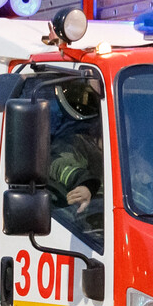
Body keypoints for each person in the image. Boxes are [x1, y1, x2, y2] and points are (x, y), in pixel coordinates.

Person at [45, 77, 103, 216]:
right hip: (82, 223)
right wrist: (86, 185)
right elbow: (60, 165)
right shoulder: (75, 142)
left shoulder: (132, 158)